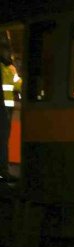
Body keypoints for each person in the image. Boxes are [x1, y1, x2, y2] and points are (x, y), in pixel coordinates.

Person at [1, 40, 22, 183]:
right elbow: (18, 85)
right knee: (3, 139)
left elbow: (18, 84)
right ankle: (3, 171)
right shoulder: (6, 68)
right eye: (7, 51)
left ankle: (4, 170)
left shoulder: (10, 68)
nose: (9, 54)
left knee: (4, 140)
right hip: (4, 109)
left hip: (7, 109)